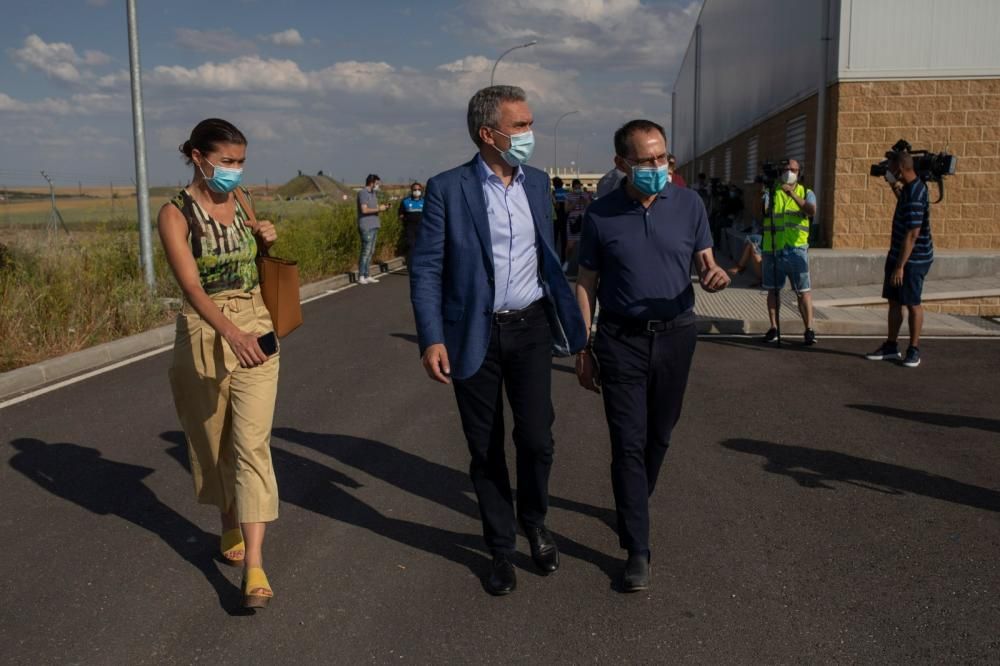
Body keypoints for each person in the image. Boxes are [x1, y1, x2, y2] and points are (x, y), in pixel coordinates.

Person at [409, 85, 586, 596]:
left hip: (529, 326)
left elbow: (547, 254)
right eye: (522, 126)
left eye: (530, 123)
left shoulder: (535, 183)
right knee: (485, 449)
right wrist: (431, 337)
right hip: (474, 333)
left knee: (536, 438)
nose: (530, 134)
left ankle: (535, 520)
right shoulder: (448, 188)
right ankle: (501, 548)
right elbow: (425, 270)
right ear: (490, 134)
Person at [574, 119, 730, 592]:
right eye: (646, 160)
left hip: (677, 335)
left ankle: (634, 500)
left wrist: (714, 274)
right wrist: (583, 346)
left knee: (658, 437)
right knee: (627, 442)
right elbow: (586, 284)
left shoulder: (688, 203)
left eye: (663, 158)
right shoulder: (600, 215)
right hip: (620, 341)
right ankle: (637, 548)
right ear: (622, 163)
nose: (658, 167)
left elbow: (706, 261)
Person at [157, 118, 280, 609]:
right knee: (211, 444)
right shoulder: (175, 212)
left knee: (252, 445)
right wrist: (230, 333)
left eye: (240, 161)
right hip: (206, 330)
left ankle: (254, 565)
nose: (234, 170)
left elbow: (257, 262)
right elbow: (190, 285)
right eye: (226, 161)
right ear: (197, 156)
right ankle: (227, 517)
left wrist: (266, 240)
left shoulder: (244, 198)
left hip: (257, 320)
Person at [865, 148, 933, 367]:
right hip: (897, 255)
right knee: (894, 301)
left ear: (902, 169)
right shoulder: (908, 189)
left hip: (913, 259)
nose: (889, 170)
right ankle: (891, 346)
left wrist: (900, 267)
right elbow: (904, 207)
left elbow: (913, 234)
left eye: (892, 167)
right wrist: (894, 187)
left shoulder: (916, 193)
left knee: (912, 303)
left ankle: (914, 350)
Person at [759, 159, 817, 345]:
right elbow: (760, 211)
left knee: (803, 292)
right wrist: (762, 189)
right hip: (773, 249)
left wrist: (791, 193)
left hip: (796, 250)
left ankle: (809, 329)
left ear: (799, 172)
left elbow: (811, 210)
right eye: (786, 169)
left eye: (793, 170)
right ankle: (774, 328)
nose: (789, 172)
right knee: (773, 291)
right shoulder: (771, 191)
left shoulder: (806, 192)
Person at [357, 173, 390, 285]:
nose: (378, 185)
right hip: (366, 226)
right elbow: (364, 210)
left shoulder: (373, 193)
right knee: (365, 251)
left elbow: (374, 208)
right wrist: (378, 209)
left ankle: (367, 274)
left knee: (371, 251)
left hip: (374, 224)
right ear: (372, 183)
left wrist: (383, 208)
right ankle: (361, 275)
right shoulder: (363, 193)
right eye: (377, 183)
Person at [563, 178, 592, 274]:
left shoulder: (585, 195)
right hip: (573, 222)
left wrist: (584, 200)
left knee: (585, 245)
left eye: (579, 187)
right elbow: (566, 210)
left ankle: (583, 265)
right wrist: (575, 202)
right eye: (576, 187)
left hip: (584, 221)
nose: (577, 188)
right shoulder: (568, 196)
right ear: (573, 187)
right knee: (570, 245)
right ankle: (566, 262)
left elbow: (589, 207)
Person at [398, 181, 425, 263]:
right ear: (411, 190)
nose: (417, 191)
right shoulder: (406, 201)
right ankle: (410, 264)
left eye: (418, 189)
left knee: (422, 246)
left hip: (422, 227)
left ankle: (421, 263)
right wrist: (405, 220)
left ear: (421, 190)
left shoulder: (425, 201)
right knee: (411, 246)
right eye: (415, 189)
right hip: (410, 228)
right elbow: (400, 214)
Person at [551, 176, 569, 261]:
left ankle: (553, 257)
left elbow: (556, 206)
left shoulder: (554, 193)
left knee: (554, 238)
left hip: (556, 217)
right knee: (563, 238)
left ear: (554, 184)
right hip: (565, 216)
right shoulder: (566, 192)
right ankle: (564, 258)